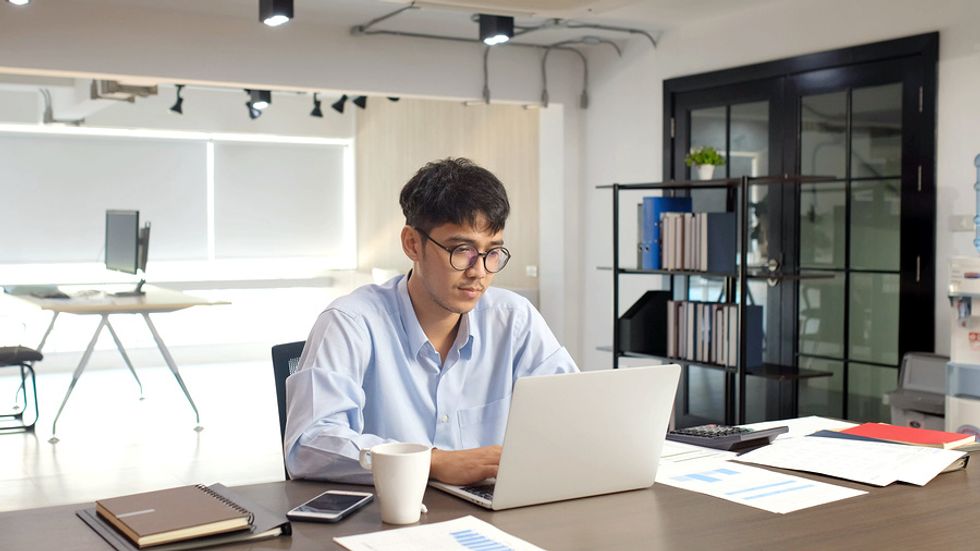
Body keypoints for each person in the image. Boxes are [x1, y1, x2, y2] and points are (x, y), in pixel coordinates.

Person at [283, 157, 578, 485]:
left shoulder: (514, 319)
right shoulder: (350, 322)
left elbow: (571, 415)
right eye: (462, 250)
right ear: (412, 243)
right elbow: (308, 445)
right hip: (386, 520)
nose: (478, 271)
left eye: (492, 252)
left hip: (492, 512)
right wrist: (431, 462)